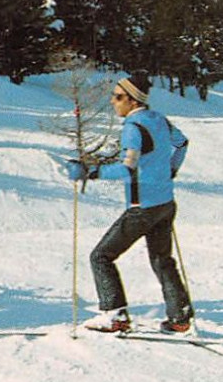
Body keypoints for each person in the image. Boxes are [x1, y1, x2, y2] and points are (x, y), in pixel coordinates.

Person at [63, 73, 193, 333]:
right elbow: (182, 143)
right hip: (165, 203)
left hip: (142, 207)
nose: (113, 101)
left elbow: (127, 170)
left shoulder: (133, 128)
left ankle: (115, 316)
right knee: (162, 260)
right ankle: (180, 317)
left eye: (118, 97)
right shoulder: (159, 120)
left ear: (133, 101)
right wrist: (170, 171)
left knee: (101, 256)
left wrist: (90, 172)